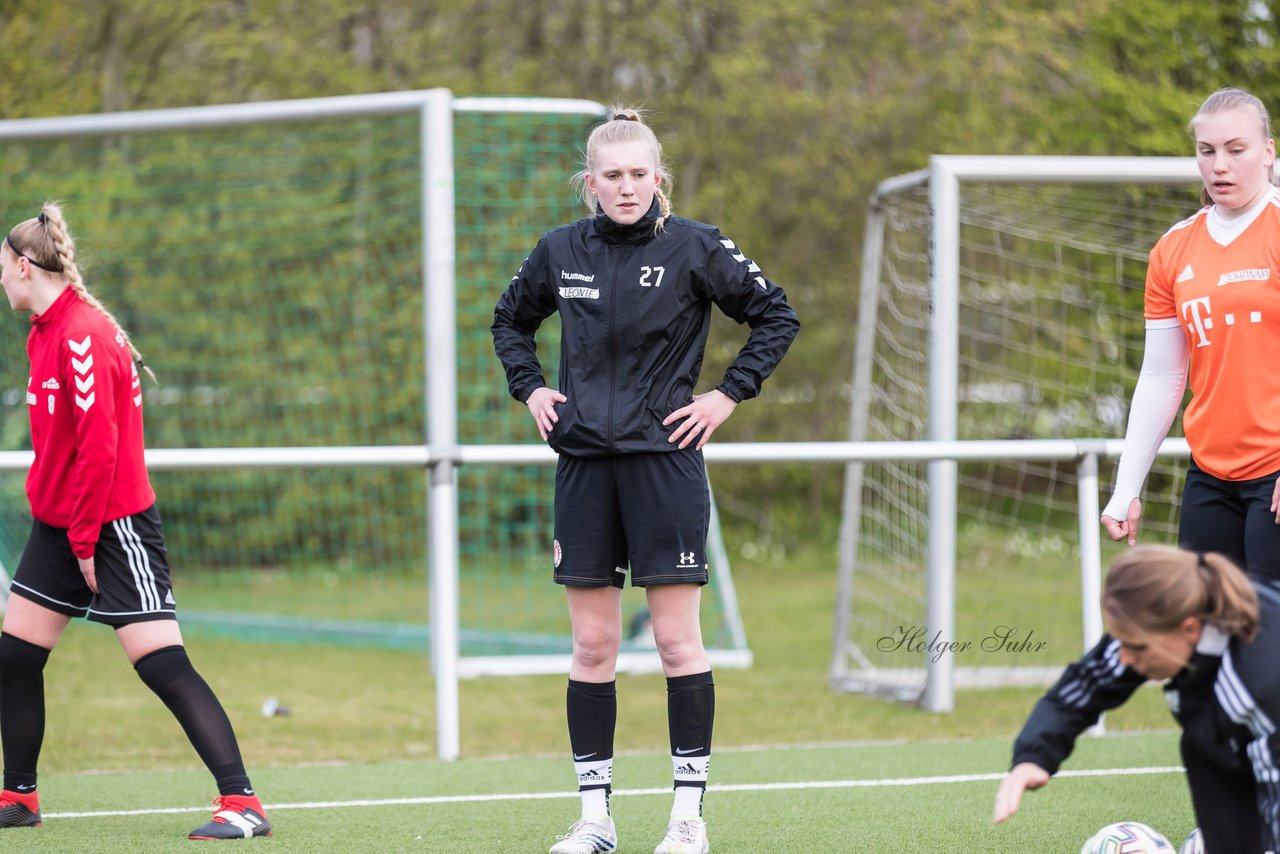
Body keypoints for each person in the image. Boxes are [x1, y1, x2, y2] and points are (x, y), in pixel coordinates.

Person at [492, 107, 799, 854]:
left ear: (657, 179)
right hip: (585, 470)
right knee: (593, 648)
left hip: (665, 464)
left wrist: (727, 395)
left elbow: (776, 316)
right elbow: (509, 321)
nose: (626, 188)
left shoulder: (696, 245)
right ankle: (595, 821)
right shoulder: (559, 250)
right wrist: (531, 388)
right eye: (612, 176)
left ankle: (686, 822)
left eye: (639, 175)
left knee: (673, 644)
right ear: (589, 183)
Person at [0, 204, 271, 840]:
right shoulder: (44, 328)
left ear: (22, 265)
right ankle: (20, 797)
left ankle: (243, 803)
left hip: (110, 526)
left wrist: (88, 543)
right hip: (61, 524)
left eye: (0, 270)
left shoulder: (83, 334)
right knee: (14, 658)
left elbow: (100, 452)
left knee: (160, 664)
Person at [1101, 87, 1280, 581]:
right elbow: (1161, 375)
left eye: (1236, 149)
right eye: (1207, 151)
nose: (1220, 164)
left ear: (1268, 152)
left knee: (1267, 644)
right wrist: (1127, 486)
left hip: (1276, 473)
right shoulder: (1173, 250)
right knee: (1201, 638)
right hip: (1211, 477)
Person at [994, 545, 1280, 852]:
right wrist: (1033, 755)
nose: (1125, 660)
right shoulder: (1176, 618)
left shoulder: (1258, 687)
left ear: (1190, 629)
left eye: (1136, 648)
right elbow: (1090, 681)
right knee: (1204, 743)